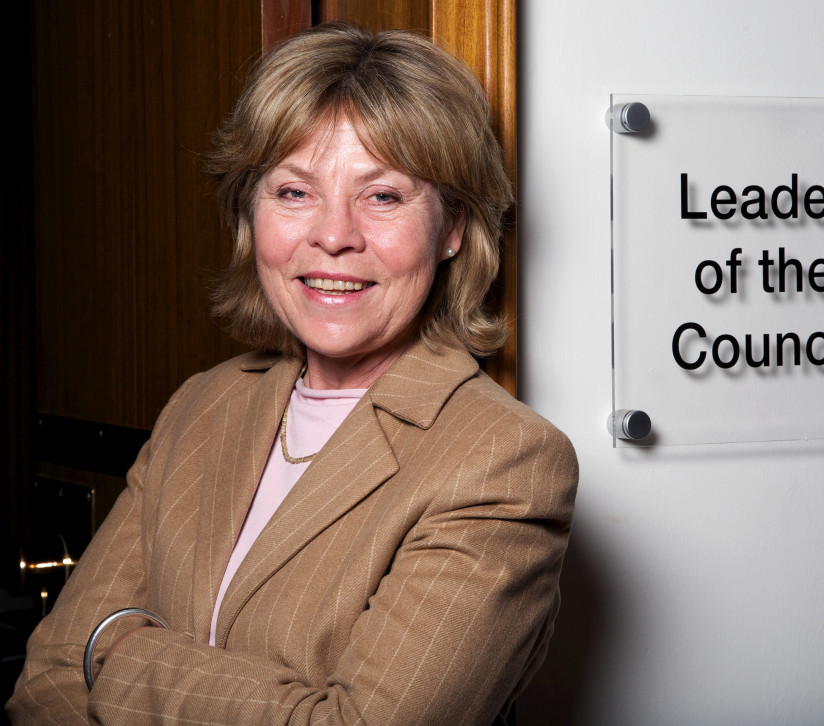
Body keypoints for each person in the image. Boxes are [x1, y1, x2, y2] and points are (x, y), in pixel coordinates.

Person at [8, 22, 577, 726]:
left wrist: (121, 656)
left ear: (454, 227)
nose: (333, 235)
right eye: (294, 192)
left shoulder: (504, 461)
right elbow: (48, 683)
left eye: (383, 196)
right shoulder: (205, 402)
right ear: (252, 212)